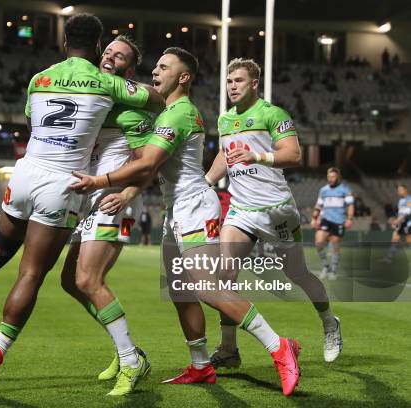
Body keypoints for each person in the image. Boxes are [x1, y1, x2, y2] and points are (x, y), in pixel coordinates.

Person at [0, 13, 164, 395]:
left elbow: (31, 125)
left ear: (64, 41)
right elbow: (155, 98)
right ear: (99, 45)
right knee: (31, 275)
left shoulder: (39, 78)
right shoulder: (106, 83)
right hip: (63, 183)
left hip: (24, 173)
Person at [71, 48, 301, 396]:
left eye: (164, 67)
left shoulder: (178, 113)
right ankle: (200, 366)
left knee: (207, 286)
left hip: (194, 206)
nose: (155, 72)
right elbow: (149, 165)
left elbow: (148, 163)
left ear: (184, 77)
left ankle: (278, 346)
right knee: (181, 292)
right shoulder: (166, 112)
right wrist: (131, 191)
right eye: (156, 66)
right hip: (175, 209)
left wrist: (100, 181)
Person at [204, 58, 342, 366]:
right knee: (224, 275)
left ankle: (330, 322)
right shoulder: (225, 120)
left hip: (276, 209)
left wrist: (256, 155)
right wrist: (207, 182)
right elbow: (224, 157)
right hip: (240, 210)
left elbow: (293, 154)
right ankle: (229, 350)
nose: (232, 86)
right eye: (229, 81)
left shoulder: (273, 114)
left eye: (238, 80)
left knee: (298, 274)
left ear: (254, 83)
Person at [59, 34, 156, 395]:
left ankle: (132, 361)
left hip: (115, 199)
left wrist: (127, 194)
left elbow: (147, 164)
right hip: (92, 198)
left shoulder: (130, 107)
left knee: (88, 280)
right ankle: (125, 348)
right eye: (108, 51)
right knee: (71, 281)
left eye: (119, 56)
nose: (109, 57)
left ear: (128, 69)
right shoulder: (97, 100)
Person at [311, 168, 354, 280]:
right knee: (319, 243)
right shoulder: (323, 190)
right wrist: (314, 218)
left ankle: (333, 270)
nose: (330, 179)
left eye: (333, 177)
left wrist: (349, 218)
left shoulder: (345, 190)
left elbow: (350, 205)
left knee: (335, 245)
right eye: (329, 177)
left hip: (339, 221)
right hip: (325, 220)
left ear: (338, 177)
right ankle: (326, 267)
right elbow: (318, 205)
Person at [382, 184, 411, 263]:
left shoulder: (409, 199)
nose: (399, 192)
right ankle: (388, 258)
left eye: (400, 190)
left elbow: (407, 213)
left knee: (409, 241)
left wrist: (396, 221)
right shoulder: (400, 200)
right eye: (398, 190)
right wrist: (394, 219)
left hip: (408, 224)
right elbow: (400, 213)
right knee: (395, 239)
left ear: (406, 190)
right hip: (401, 224)